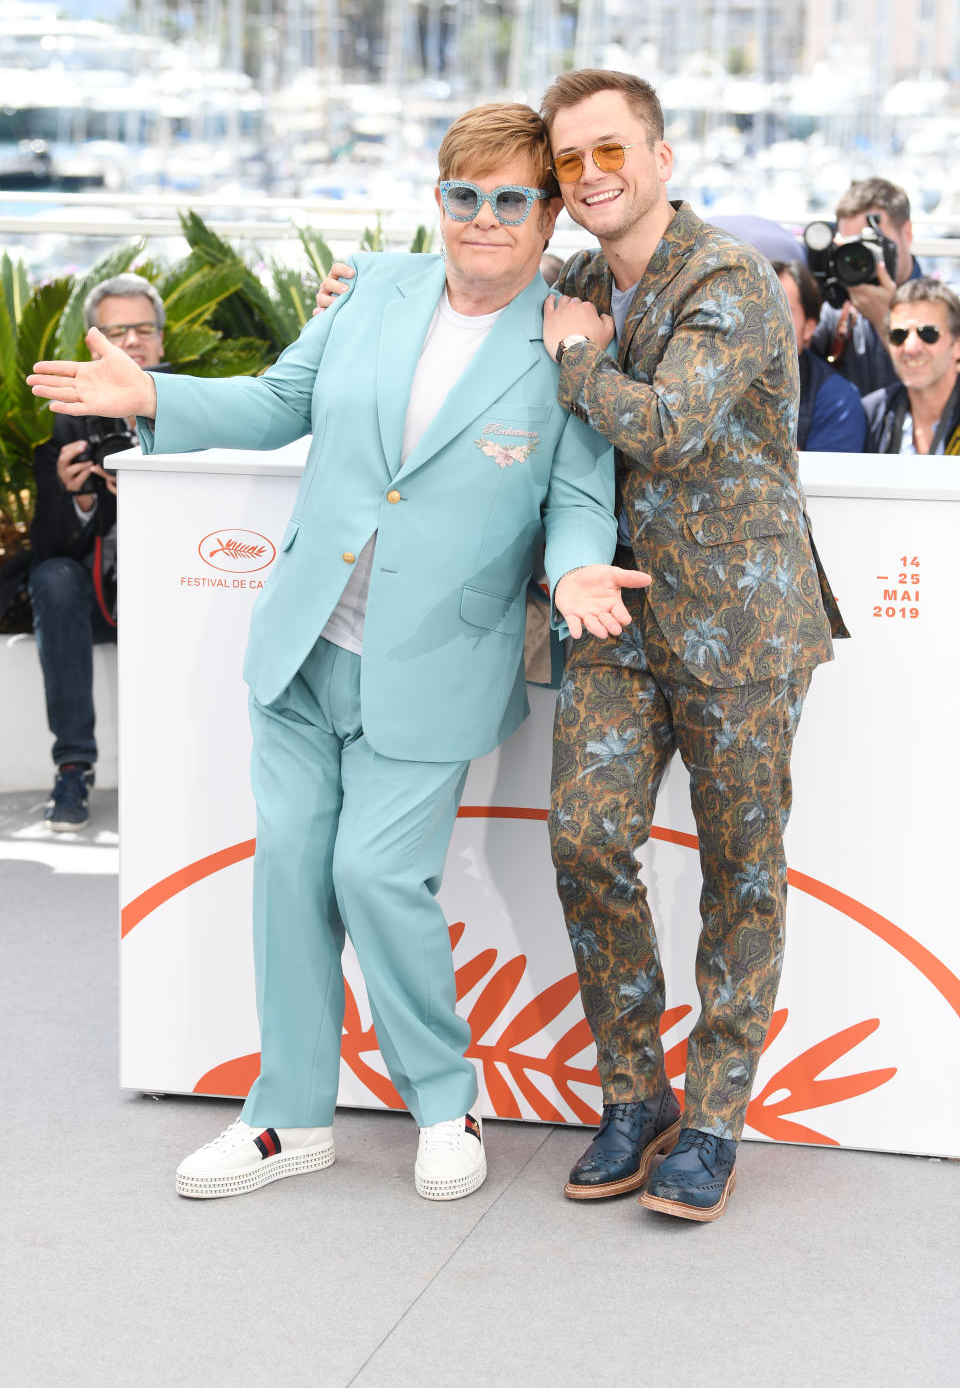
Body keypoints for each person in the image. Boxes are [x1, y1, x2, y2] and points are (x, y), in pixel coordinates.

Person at [29, 104, 649, 1204]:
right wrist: (152, 397)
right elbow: (278, 404)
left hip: (438, 662)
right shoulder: (370, 291)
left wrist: (579, 570)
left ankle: (443, 1099)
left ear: (547, 214)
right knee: (292, 877)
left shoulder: (569, 340)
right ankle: (286, 1121)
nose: (485, 221)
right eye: (464, 197)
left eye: (512, 200)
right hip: (306, 640)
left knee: (373, 874)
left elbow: (575, 499)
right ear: (440, 202)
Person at [536, 68, 847, 1221]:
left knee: (742, 873)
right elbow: (471, 309)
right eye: (571, 161)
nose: (591, 175)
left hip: (745, 626)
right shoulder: (571, 276)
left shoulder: (726, 278)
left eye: (610, 150)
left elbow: (666, 426)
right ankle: (635, 1093)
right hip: (618, 612)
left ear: (661, 158)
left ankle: (713, 1118)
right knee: (585, 836)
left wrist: (576, 360)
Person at [29, 273, 165, 830]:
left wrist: (148, 495)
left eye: (143, 329)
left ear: (162, 340)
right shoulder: (68, 421)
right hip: (94, 599)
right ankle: (74, 766)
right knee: (54, 577)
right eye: (117, 330)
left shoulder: (205, 411)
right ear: (95, 342)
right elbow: (47, 545)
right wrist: (78, 497)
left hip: (168, 593)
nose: (131, 342)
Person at [809, 177, 922, 397]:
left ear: (906, 234)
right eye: (851, 247)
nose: (861, 259)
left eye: (872, 243)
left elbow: (945, 392)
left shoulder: (945, 309)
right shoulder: (836, 311)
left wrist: (886, 321)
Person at [772, 260, 867, 452]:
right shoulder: (713, 375)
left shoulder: (837, 399)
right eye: (754, 309)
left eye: (783, 311)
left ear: (809, 327)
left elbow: (827, 479)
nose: (768, 322)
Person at [862, 278, 960, 455]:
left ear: (957, 345)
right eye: (898, 335)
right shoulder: (870, 415)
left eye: (929, 333)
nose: (911, 347)